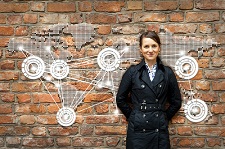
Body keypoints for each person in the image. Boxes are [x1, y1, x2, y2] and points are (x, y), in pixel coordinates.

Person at [116, 31, 182, 149]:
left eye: (154, 46)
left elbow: (176, 101)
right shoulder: (132, 72)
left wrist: (163, 117)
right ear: (140, 50)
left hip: (159, 129)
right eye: (146, 46)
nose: (150, 50)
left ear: (159, 48)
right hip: (137, 130)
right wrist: (134, 116)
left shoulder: (167, 72)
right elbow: (120, 99)